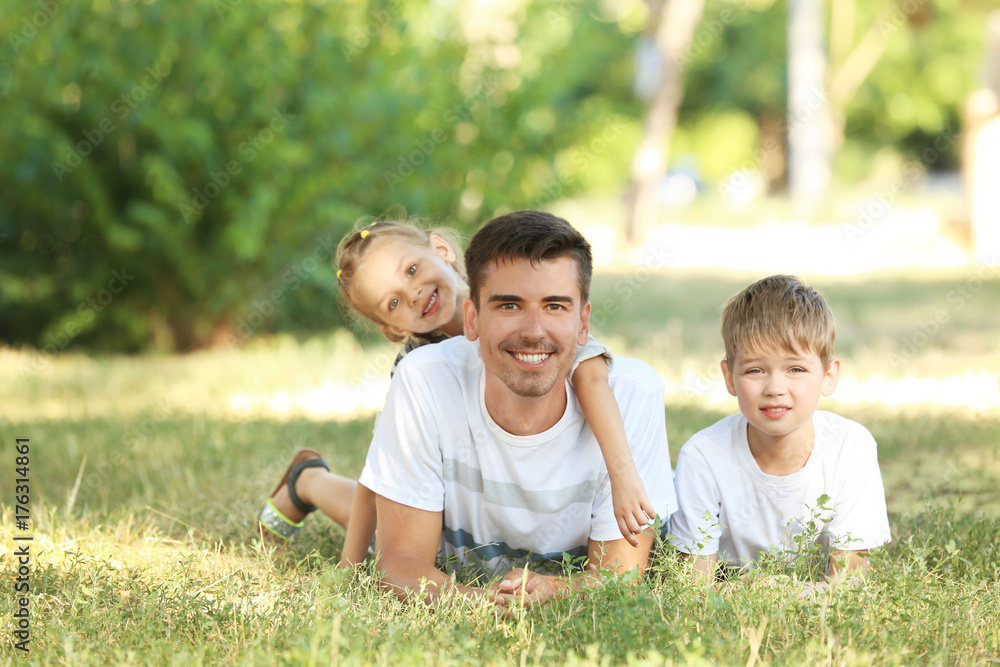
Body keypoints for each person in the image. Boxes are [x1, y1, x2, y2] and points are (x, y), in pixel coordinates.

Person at [257, 217, 657, 566]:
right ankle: (308, 480)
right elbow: (381, 475)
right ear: (392, 327)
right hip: (453, 486)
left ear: (442, 249)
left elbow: (591, 379)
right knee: (398, 528)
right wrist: (351, 563)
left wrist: (623, 476)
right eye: (393, 301)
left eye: (412, 270)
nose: (412, 294)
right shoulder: (416, 369)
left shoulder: (525, 309)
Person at [359, 209, 676, 606]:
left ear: (583, 323)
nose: (533, 331)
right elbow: (400, 562)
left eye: (555, 306)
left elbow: (619, 576)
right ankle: (310, 483)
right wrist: (477, 602)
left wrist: (552, 591)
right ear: (472, 318)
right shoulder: (422, 378)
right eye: (509, 305)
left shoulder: (632, 395)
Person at [670, 275, 891, 590]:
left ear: (828, 376)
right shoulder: (703, 455)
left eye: (795, 369)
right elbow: (694, 587)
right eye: (755, 370)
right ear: (729, 377)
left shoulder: (850, 448)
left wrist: (773, 591)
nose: (775, 388)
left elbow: (849, 584)